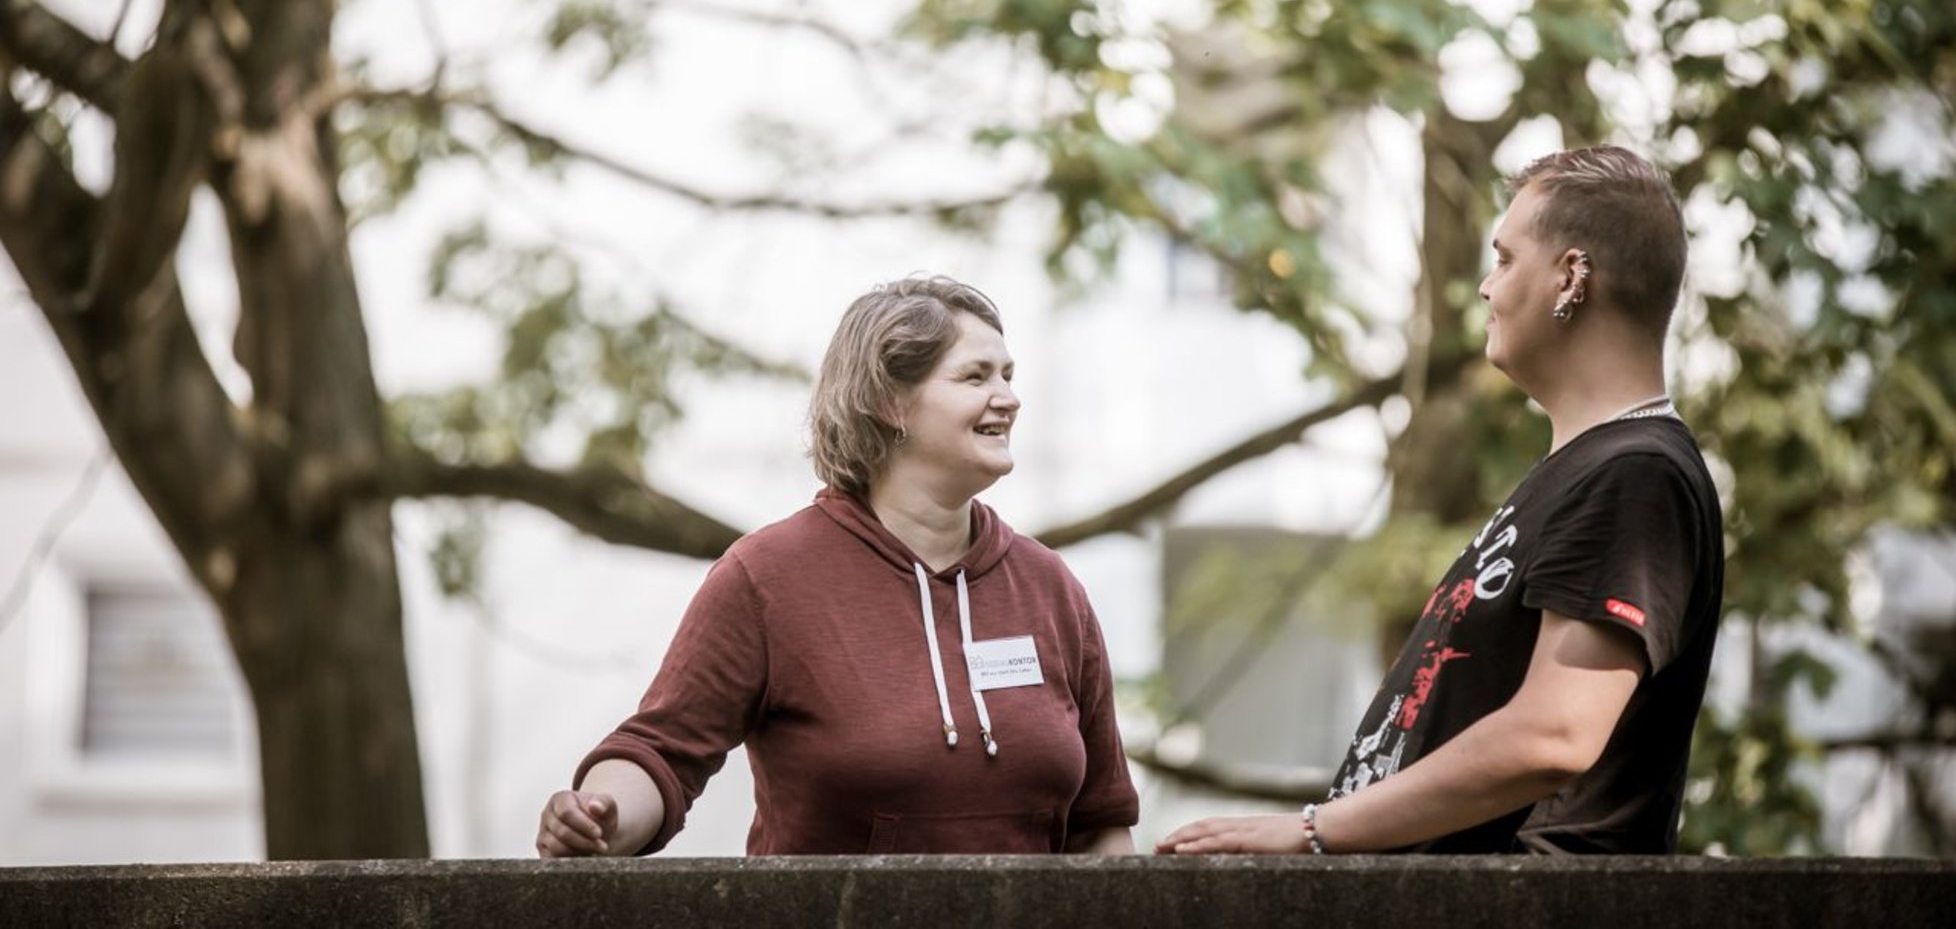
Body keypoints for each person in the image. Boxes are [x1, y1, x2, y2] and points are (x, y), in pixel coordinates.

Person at [1159, 145, 1724, 856]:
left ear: (1571, 276)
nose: (1486, 288)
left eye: (1505, 259)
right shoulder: (1588, 469)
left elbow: (1556, 733)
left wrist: (1314, 830)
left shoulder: (1636, 474)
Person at [537, 275, 1138, 857]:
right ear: (890, 402)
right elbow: (661, 752)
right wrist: (598, 818)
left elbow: (1101, 826)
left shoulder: (1050, 587)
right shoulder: (768, 577)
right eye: (975, 376)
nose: (1008, 397)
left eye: (1007, 375)